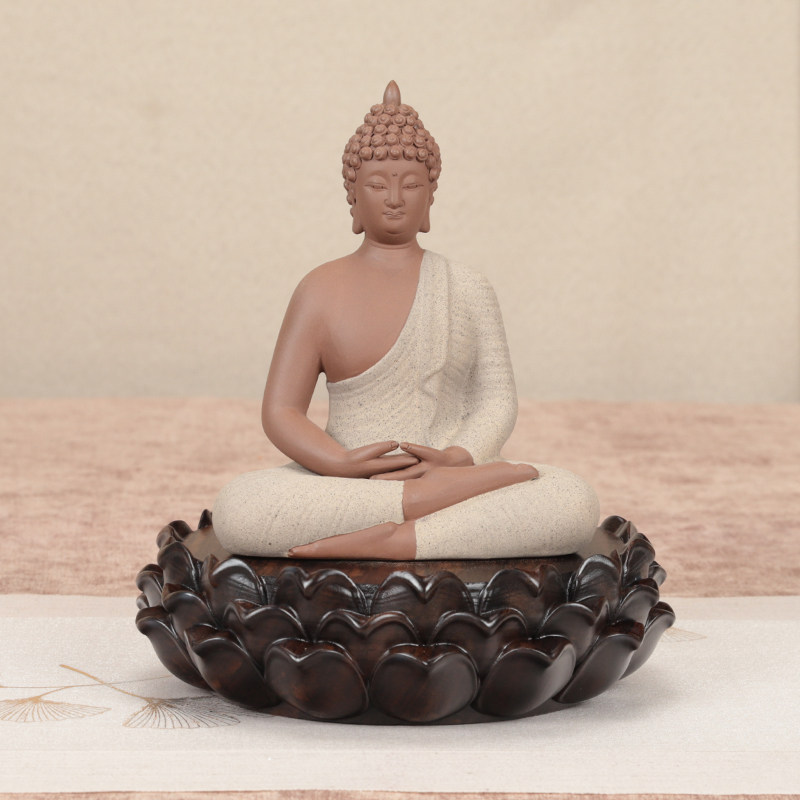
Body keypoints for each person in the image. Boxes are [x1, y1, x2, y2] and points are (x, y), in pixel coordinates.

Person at [212, 82, 599, 560]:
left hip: (457, 473)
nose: (394, 198)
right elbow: (281, 411)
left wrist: (458, 458)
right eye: (377, 185)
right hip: (347, 483)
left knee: (571, 500)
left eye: (411, 185)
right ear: (353, 197)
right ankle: (419, 509)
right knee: (241, 507)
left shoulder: (467, 287)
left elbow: (497, 399)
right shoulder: (318, 288)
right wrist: (338, 461)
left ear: (431, 197)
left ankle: (399, 538)